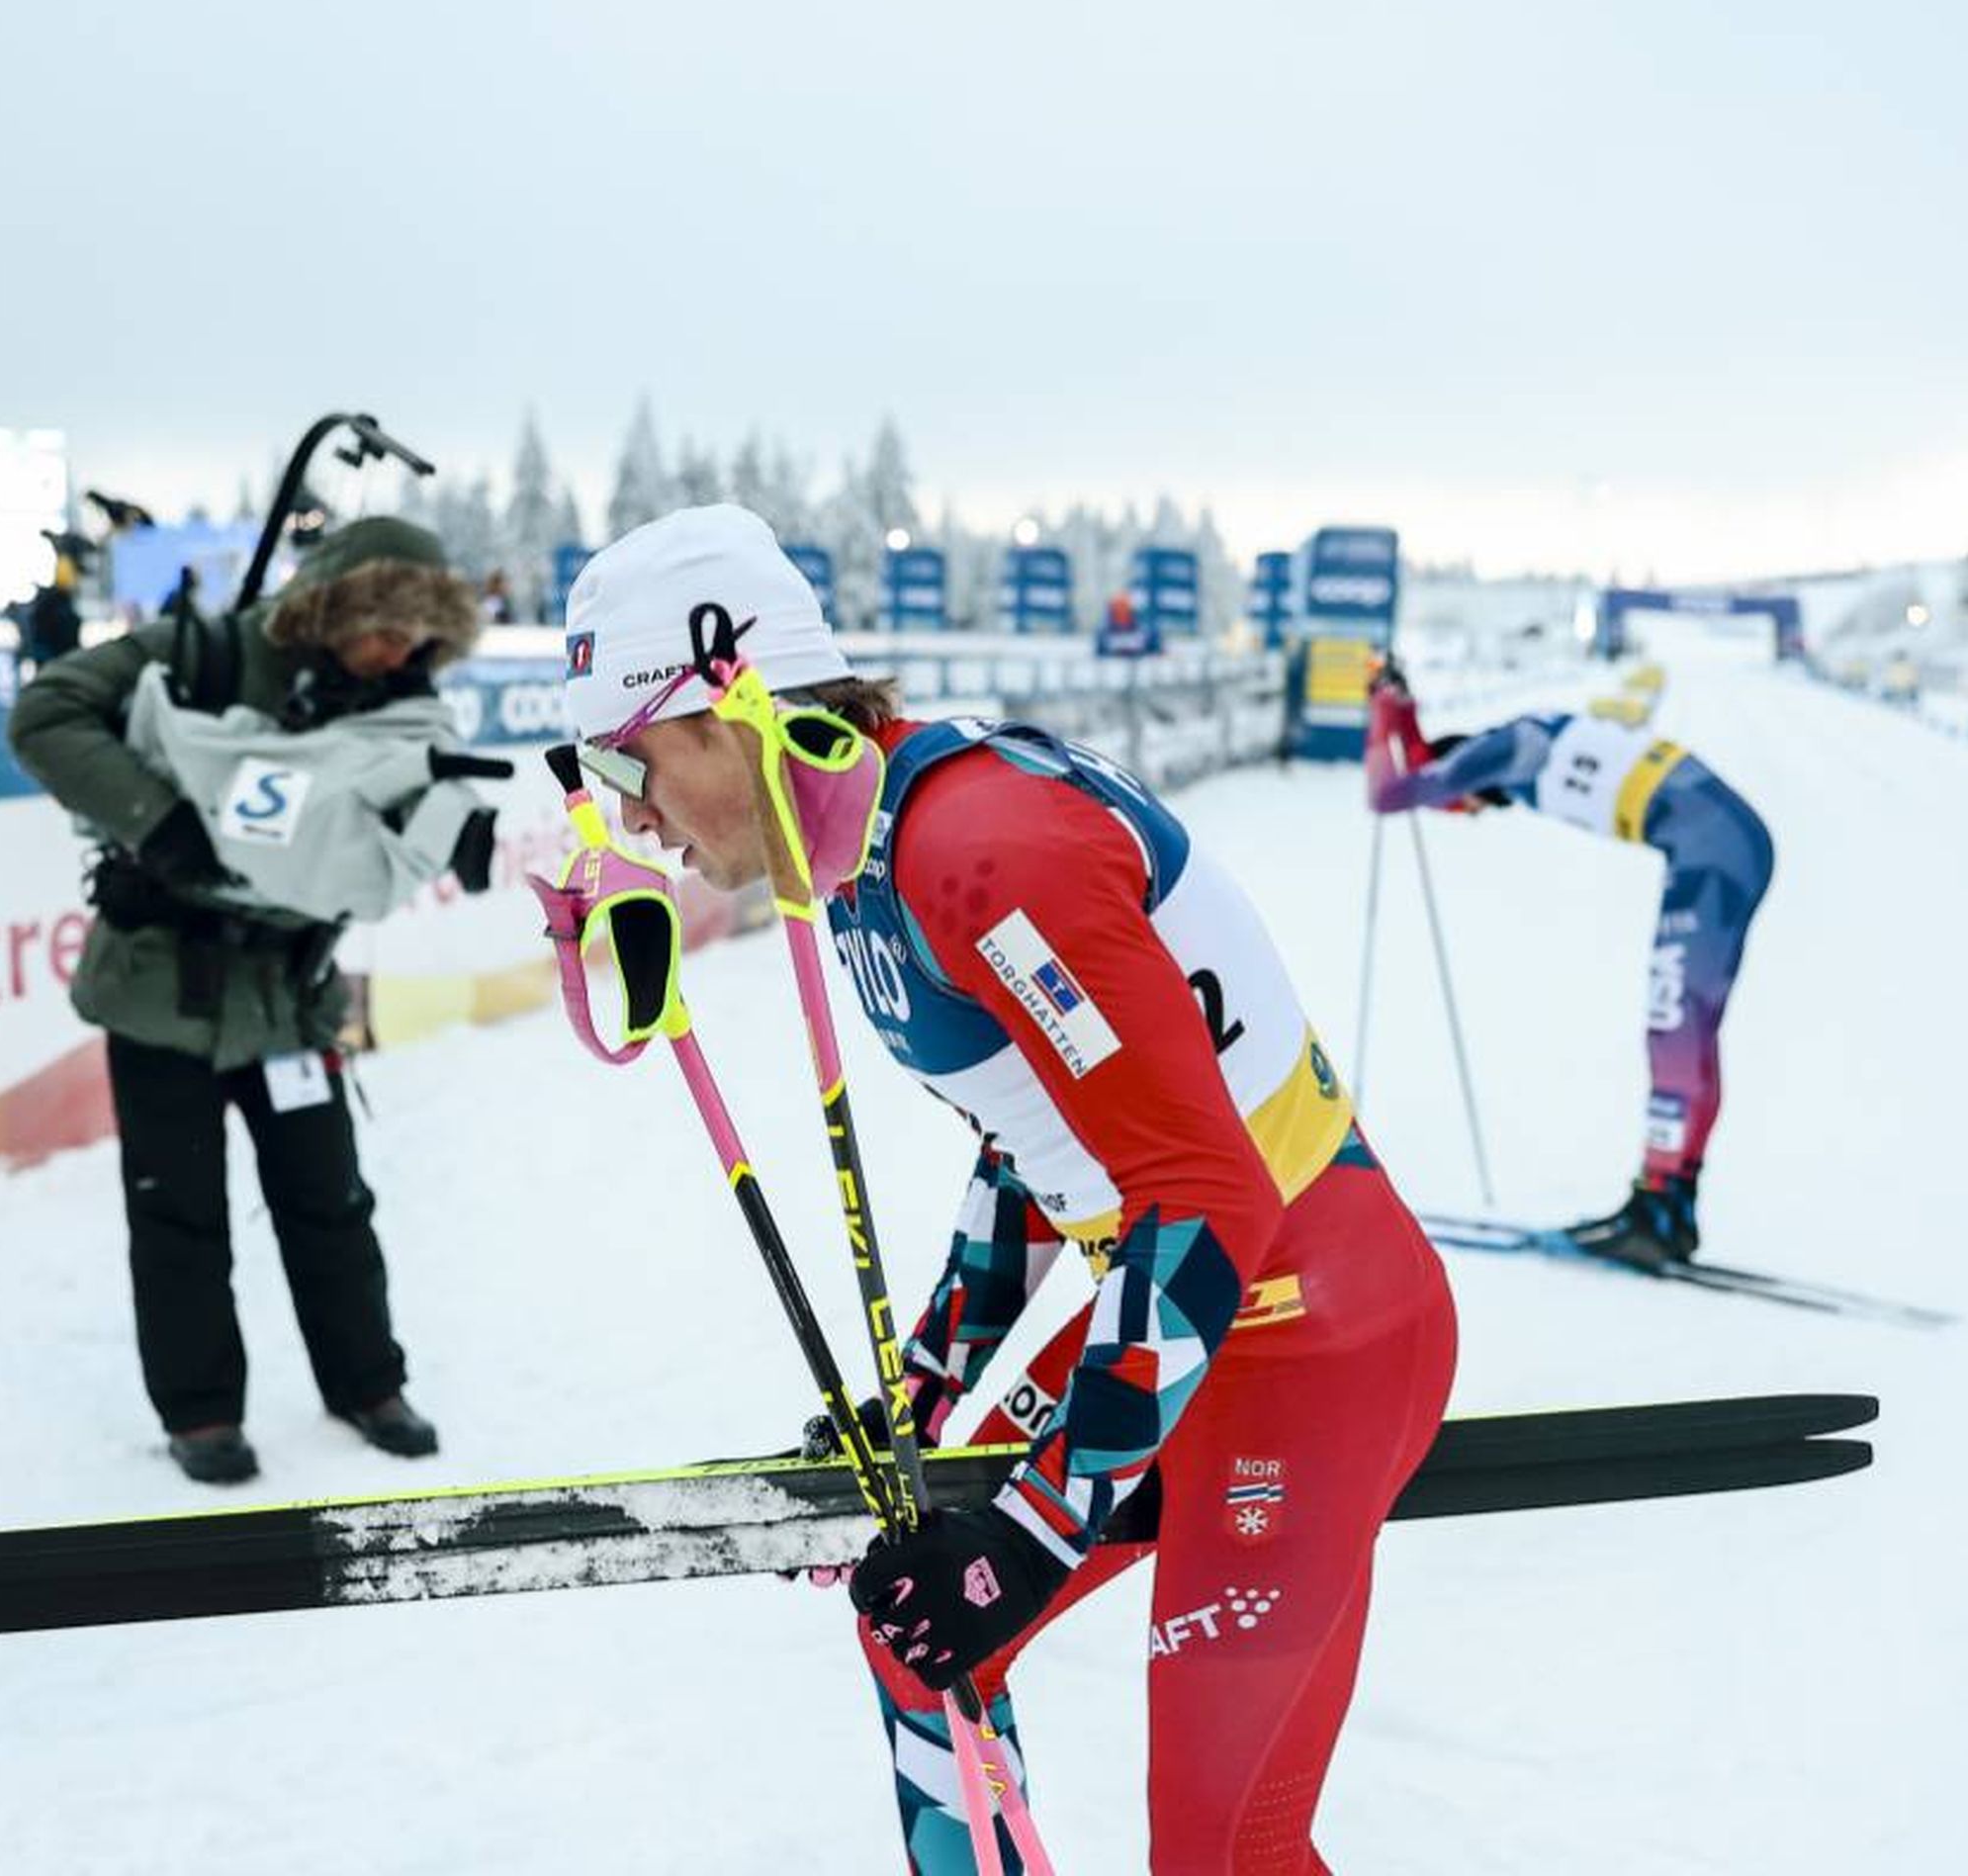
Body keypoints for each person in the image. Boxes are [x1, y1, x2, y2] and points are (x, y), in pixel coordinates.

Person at [561, 505, 1458, 1875]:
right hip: (1186, 1317)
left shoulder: (981, 852)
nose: (634, 818)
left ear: (726, 706)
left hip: (1307, 1331)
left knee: (1223, 1854)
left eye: (630, 763)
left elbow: (1206, 1193)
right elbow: (1034, 1134)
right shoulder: (864, 862)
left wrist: (1030, 1538)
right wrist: (922, 1400)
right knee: (917, 1638)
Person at [8, 516, 480, 1485]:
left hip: (291, 995)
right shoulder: (207, 653)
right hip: (158, 992)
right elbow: (44, 714)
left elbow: (396, 801)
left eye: (417, 638)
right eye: (385, 627)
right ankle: (201, 1413)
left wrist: (445, 825)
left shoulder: (398, 696)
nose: (399, 652)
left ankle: (367, 1384)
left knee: (330, 1200)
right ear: (337, 607)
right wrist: (159, 820)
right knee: (178, 1213)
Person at [1366, 670, 1773, 1264]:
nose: (1474, 812)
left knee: (1674, 1030)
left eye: (1466, 808)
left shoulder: (1506, 749)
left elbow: (1389, 793)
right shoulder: (1521, 743)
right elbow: (1429, 765)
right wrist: (1401, 711)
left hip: (1713, 853)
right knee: (1688, 1031)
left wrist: (1381, 715)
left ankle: (1657, 1209)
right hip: (1725, 845)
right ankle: (1671, 1208)